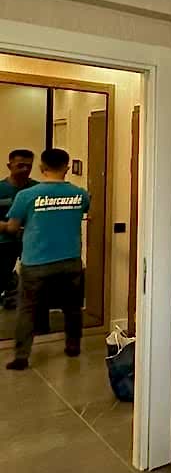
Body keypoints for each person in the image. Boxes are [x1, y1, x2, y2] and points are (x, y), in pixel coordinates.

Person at [2, 148, 91, 369]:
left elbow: (12, 228)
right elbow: (87, 210)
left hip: (36, 262)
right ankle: (73, 346)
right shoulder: (80, 194)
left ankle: (21, 357)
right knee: (72, 307)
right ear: (67, 168)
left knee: (27, 309)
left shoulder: (27, 195)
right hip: (70, 260)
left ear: (42, 168)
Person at [0, 149, 37, 308]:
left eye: (29, 166)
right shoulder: (1, 189)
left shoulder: (36, 188)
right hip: (4, 242)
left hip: (31, 243)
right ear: (10, 166)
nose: (25, 170)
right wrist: (7, 227)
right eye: (20, 165)